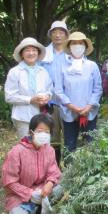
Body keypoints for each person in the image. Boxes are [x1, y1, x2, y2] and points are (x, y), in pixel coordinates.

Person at [1, 114, 63, 214]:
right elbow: (9, 182)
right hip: (19, 196)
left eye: (47, 131)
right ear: (31, 131)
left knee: (62, 187)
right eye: (40, 131)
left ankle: (39, 211)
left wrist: (49, 184)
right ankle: (31, 212)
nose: (44, 134)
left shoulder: (49, 150)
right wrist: (30, 194)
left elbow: (54, 171)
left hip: (42, 192)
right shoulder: (17, 152)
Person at [54, 31, 103, 152]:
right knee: (70, 146)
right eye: (74, 43)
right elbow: (59, 90)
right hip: (69, 112)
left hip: (89, 112)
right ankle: (70, 170)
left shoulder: (92, 66)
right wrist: (72, 107)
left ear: (85, 46)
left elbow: (98, 88)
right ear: (69, 46)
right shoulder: (62, 66)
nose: (77, 46)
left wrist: (88, 107)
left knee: (90, 144)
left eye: (80, 43)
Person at [4, 38, 52, 138]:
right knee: (27, 146)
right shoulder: (15, 72)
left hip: (42, 116)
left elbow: (49, 90)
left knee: (42, 144)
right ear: (22, 54)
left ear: (38, 53)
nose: (31, 53)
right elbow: (9, 96)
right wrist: (30, 100)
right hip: (23, 116)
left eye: (34, 50)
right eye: (27, 50)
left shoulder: (43, 71)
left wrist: (47, 97)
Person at [40, 20, 70, 163]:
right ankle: (54, 170)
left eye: (61, 32)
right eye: (54, 32)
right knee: (52, 138)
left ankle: (71, 171)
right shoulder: (43, 54)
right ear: (50, 34)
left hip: (70, 102)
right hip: (50, 103)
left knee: (71, 136)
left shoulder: (73, 52)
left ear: (66, 35)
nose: (58, 35)